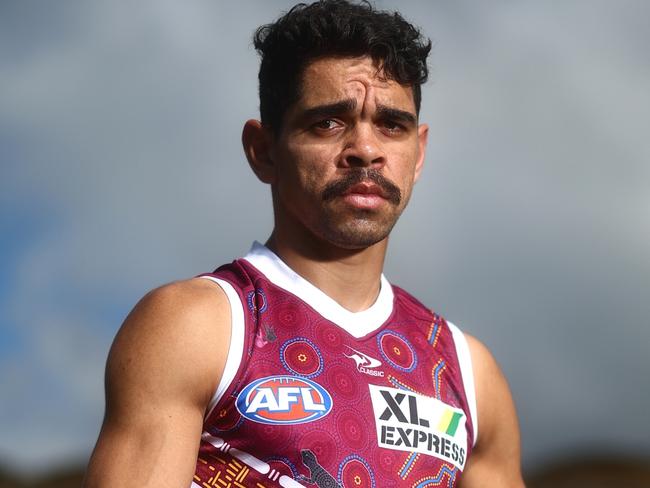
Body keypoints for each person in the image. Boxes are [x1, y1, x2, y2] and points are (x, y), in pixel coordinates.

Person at [85, 1, 525, 487]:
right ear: (263, 151)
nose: (367, 149)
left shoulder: (467, 373)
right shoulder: (199, 326)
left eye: (391, 125)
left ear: (418, 153)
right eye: (328, 123)